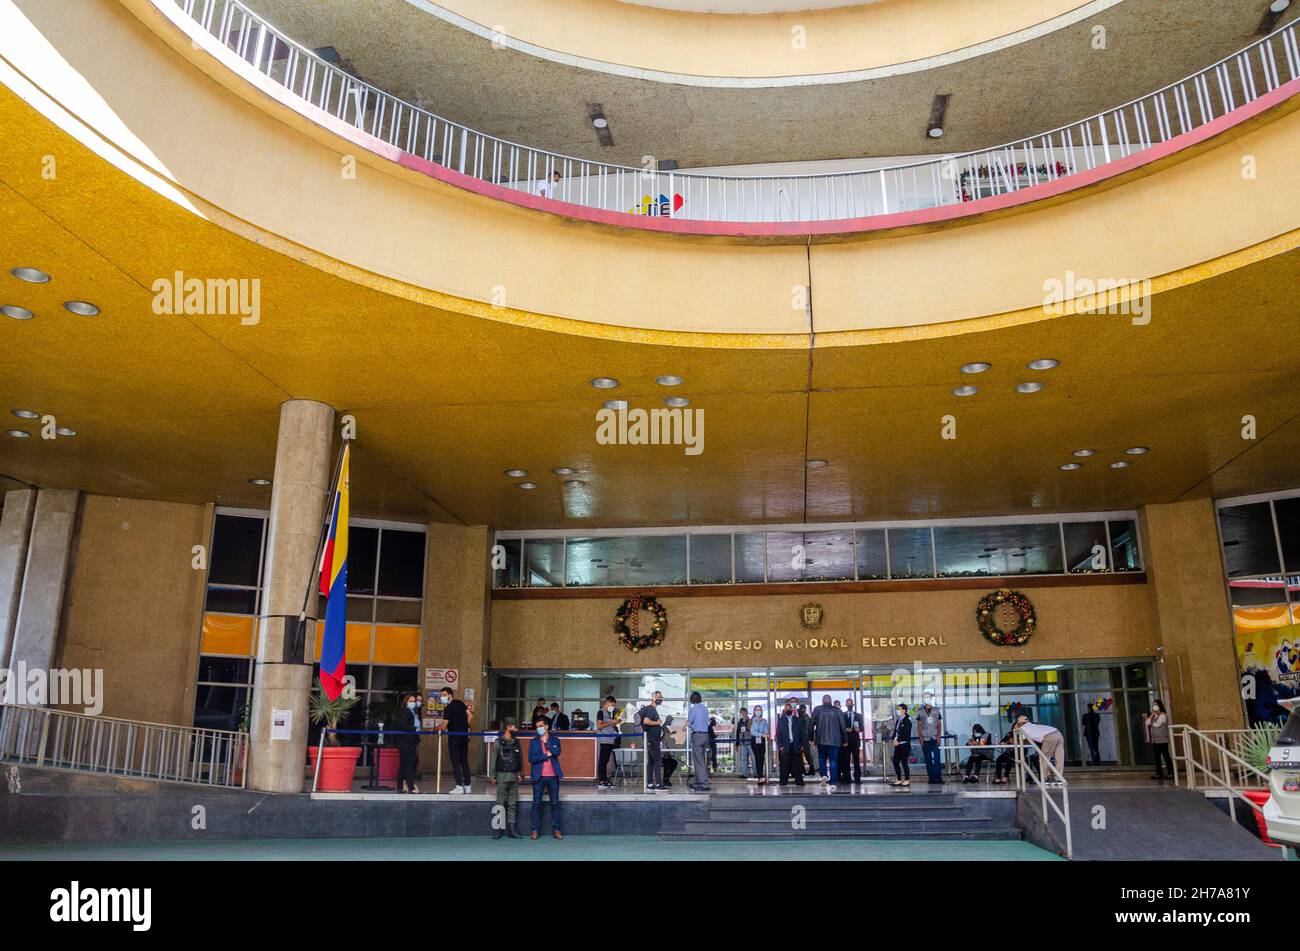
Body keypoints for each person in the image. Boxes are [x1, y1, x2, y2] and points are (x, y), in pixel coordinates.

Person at [528, 718, 563, 839]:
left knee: (555, 803)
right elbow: (531, 758)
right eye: (537, 726)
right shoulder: (533, 742)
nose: (539, 728)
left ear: (546, 726)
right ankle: (534, 830)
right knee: (536, 803)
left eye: (541, 726)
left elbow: (557, 752)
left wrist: (547, 743)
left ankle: (556, 829)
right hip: (539, 776)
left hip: (553, 776)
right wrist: (545, 756)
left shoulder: (555, 740)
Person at [489, 719, 523, 839]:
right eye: (515, 727)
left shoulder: (517, 742)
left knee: (512, 804)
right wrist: (492, 776)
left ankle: (511, 830)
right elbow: (493, 760)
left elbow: (520, 759)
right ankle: (498, 830)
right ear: (508, 727)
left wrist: (521, 774)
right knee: (500, 803)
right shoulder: (499, 742)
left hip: (514, 775)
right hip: (502, 776)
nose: (517, 730)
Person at [1015, 714, 1065, 786]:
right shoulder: (1033, 725)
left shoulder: (1022, 729)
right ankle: (1058, 778)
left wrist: (1016, 729)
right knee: (1059, 758)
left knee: (1044, 758)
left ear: (1020, 723)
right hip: (1058, 733)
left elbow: (1021, 741)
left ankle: (1045, 778)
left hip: (1049, 737)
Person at [439, 686, 472, 794]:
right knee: (464, 762)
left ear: (450, 695)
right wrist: (464, 725)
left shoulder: (448, 708)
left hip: (454, 738)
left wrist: (434, 729)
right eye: (441, 695)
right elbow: (470, 715)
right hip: (464, 736)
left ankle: (459, 786)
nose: (442, 697)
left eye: (444, 695)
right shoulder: (460, 703)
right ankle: (468, 786)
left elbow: (443, 726)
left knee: (455, 762)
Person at [391, 692, 422, 794]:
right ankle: (410, 787)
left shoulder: (413, 712)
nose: (413, 703)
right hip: (406, 742)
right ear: (406, 702)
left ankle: (400, 786)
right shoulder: (406, 712)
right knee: (409, 764)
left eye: (414, 701)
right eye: (410, 701)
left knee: (404, 764)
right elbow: (403, 725)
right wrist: (415, 729)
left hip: (410, 741)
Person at [812, 695, 845, 789]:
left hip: (821, 740)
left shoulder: (817, 709)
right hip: (835, 741)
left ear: (822, 700)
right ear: (831, 701)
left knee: (822, 759)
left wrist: (811, 738)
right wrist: (845, 740)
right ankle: (833, 782)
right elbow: (842, 726)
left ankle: (824, 775)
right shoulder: (837, 710)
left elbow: (811, 724)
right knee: (833, 761)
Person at [638, 691, 666, 790]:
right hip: (652, 739)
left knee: (651, 762)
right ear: (653, 698)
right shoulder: (651, 709)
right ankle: (658, 784)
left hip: (651, 739)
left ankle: (650, 784)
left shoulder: (651, 709)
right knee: (657, 761)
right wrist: (657, 722)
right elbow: (646, 721)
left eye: (661, 697)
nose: (660, 699)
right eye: (659, 697)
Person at [776, 699, 806, 786]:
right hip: (785, 746)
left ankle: (799, 781)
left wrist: (802, 745)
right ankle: (783, 782)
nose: (788, 710)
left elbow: (802, 734)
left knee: (797, 765)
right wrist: (780, 745)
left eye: (789, 709)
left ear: (792, 710)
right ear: (784, 710)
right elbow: (778, 734)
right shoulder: (781, 721)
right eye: (786, 709)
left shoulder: (797, 720)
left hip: (796, 745)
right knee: (784, 765)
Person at [917, 692, 944, 785]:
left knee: (937, 759)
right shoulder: (920, 711)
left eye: (928, 697)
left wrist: (939, 737)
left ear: (931, 698)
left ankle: (938, 778)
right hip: (925, 739)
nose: (926, 698)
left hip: (935, 738)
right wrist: (920, 737)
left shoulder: (936, 710)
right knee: (928, 759)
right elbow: (919, 725)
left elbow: (939, 725)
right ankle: (931, 778)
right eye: (925, 697)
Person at [687, 692, 712, 791]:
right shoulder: (705, 709)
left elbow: (689, 722)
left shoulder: (693, 709)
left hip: (697, 735)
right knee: (700, 760)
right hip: (705, 735)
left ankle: (704, 784)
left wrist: (689, 725)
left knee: (699, 761)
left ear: (692, 699)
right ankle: (697, 782)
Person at [1145, 699, 1173, 781]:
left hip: (1162, 740)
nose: (1154, 706)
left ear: (1159, 705)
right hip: (1155, 740)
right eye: (1153, 704)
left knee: (1166, 756)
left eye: (1155, 704)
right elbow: (1147, 723)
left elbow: (1157, 724)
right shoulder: (1154, 715)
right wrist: (1151, 716)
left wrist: (1152, 717)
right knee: (1157, 757)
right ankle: (1159, 774)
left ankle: (1170, 773)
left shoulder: (1163, 715)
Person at [595, 695, 620, 788]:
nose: (612, 707)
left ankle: (605, 779)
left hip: (610, 740)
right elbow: (600, 726)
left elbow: (609, 725)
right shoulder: (601, 712)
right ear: (607, 703)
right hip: (604, 740)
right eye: (612, 705)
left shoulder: (609, 713)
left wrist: (615, 724)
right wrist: (611, 722)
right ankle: (601, 780)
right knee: (602, 760)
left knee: (606, 760)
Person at [839, 698, 864, 785]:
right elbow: (840, 727)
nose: (849, 705)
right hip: (846, 740)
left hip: (855, 740)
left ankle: (857, 779)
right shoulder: (842, 715)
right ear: (846, 705)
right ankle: (847, 779)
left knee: (856, 760)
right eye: (848, 704)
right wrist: (846, 729)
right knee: (846, 760)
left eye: (851, 704)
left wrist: (859, 729)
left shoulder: (858, 715)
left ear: (853, 705)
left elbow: (862, 728)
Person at [891, 703, 912, 787]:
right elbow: (896, 731)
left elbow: (906, 733)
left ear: (904, 710)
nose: (897, 711)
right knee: (895, 762)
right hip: (897, 745)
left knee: (904, 762)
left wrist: (899, 741)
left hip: (904, 744)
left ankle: (907, 780)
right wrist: (893, 739)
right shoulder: (898, 720)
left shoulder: (908, 720)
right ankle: (899, 779)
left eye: (899, 709)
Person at [750, 704, 769, 785]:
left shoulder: (764, 721)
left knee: (761, 758)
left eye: (760, 709)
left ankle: (761, 776)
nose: (758, 711)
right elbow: (752, 732)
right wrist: (761, 734)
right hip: (754, 741)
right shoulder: (752, 720)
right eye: (757, 709)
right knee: (757, 758)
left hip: (762, 741)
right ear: (754, 711)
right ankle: (760, 776)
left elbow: (766, 730)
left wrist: (764, 734)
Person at [798, 704, 817, 776]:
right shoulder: (799, 717)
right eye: (801, 709)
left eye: (803, 709)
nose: (802, 710)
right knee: (800, 755)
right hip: (801, 739)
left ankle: (811, 769)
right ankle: (803, 769)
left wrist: (810, 738)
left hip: (806, 739)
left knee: (807, 754)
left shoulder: (807, 718)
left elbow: (810, 729)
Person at [735, 708, 753, 778]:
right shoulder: (739, 722)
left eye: (743, 712)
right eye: (741, 713)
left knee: (753, 758)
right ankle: (744, 773)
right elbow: (737, 733)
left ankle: (755, 773)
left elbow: (749, 728)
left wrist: (746, 721)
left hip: (750, 742)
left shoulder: (750, 721)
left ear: (746, 712)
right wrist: (737, 744)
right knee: (743, 758)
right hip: (742, 743)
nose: (742, 714)